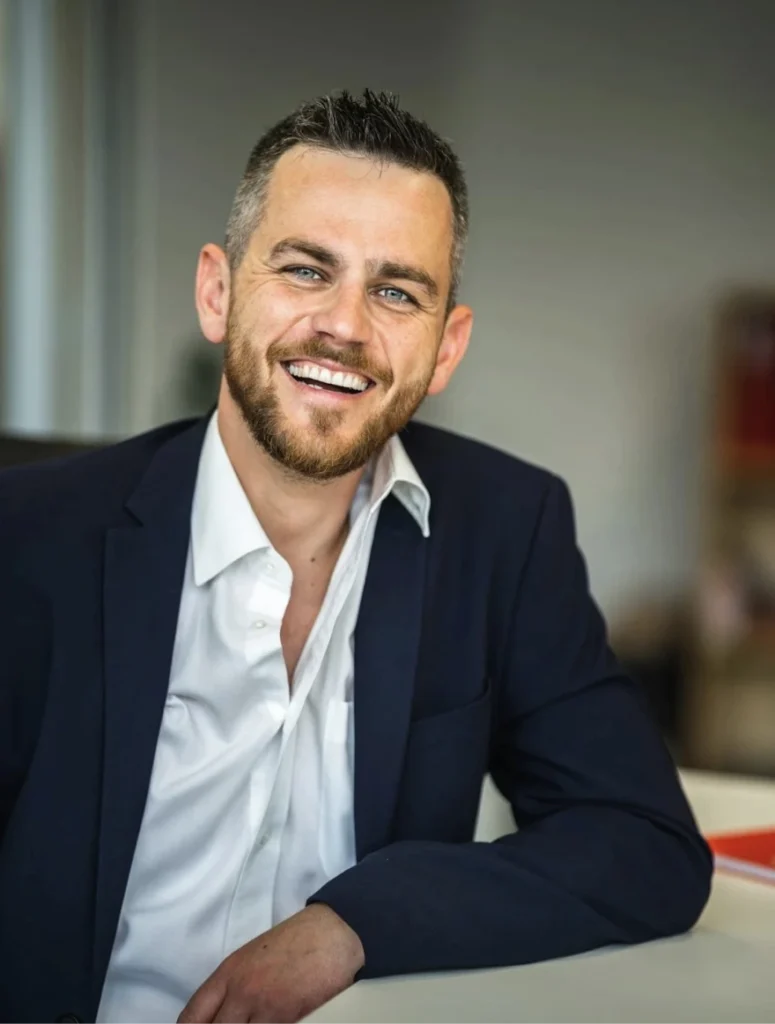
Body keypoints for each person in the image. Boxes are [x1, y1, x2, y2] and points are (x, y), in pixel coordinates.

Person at [0, 90, 711, 1024]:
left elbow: (644, 842)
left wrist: (354, 922)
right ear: (217, 292)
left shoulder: (505, 529)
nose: (344, 325)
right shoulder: (27, 535)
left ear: (445, 344)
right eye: (305, 270)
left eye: (395, 291)